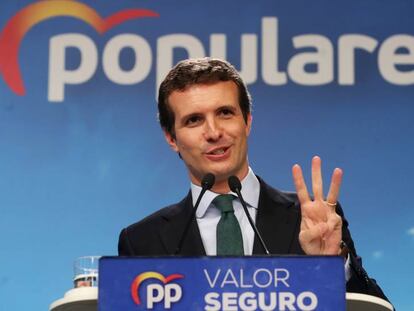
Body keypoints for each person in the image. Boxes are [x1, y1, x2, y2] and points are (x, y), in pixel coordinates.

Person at [118, 57, 390, 301]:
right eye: (194, 120)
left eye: (225, 113)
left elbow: (376, 308)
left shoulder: (311, 219)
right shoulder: (142, 241)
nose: (213, 132)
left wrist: (334, 264)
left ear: (247, 121)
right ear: (171, 138)